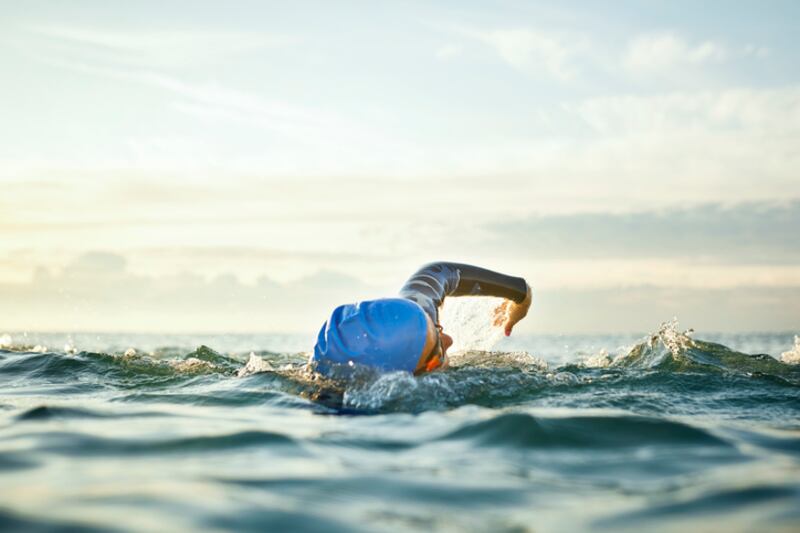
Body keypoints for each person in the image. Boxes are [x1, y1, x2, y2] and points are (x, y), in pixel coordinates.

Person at [309, 262, 532, 378]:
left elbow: (437, 273)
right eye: (436, 355)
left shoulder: (415, 317)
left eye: (437, 328)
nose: (449, 340)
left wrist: (522, 296)